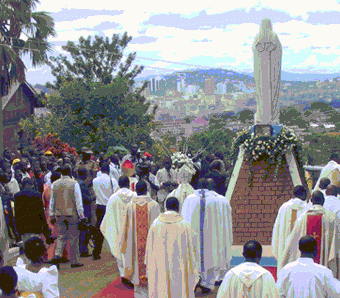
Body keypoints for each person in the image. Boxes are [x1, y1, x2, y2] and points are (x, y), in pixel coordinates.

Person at [181, 178, 233, 294]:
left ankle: (193, 282)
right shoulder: (217, 200)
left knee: (194, 258)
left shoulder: (189, 199)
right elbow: (220, 222)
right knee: (210, 256)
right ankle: (207, 284)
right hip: (211, 237)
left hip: (194, 238)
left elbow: (184, 218)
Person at [145, 196, 200, 297]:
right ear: (178, 208)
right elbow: (194, 250)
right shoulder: (185, 225)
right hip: (180, 267)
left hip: (160, 267)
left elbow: (149, 249)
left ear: (165, 207)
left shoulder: (155, 224)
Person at [279, 191, 340, 279]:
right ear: (323, 201)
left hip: (304, 271)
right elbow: (336, 245)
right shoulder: (332, 218)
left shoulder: (302, 218)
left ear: (311, 201)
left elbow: (292, 242)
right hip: (325, 267)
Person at [120, 180, 160, 296]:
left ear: (136, 191)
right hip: (151, 247)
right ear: (147, 190)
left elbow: (125, 229)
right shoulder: (154, 206)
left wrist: (124, 244)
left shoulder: (130, 207)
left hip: (135, 248)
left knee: (137, 273)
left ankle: (138, 294)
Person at [100, 175, 136, 287]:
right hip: (132, 230)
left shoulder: (113, 198)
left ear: (119, 185)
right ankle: (133, 274)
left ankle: (123, 275)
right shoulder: (135, 196)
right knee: (132, 251)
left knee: (120, 251)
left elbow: (108, 217)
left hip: (118, 230)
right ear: (129, 184)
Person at [50, 165, 86, 268]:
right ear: (70, 172)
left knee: (61, 236)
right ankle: (74, 261)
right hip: (72, 214)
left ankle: (57, 255)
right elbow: (78, 201)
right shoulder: (74, 184)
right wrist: (82, 215)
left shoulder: (54, 184)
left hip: (59, 214)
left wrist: (51, 214)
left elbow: (52, 200)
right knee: (74, 237)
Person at [271, 185, 309, 268]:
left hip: (285, 244)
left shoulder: (284, 207)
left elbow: (277, 228)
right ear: (303, 194)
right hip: (301, 248)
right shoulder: (307, 208)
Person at [13, 178, 52, 252]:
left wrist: (17, 230)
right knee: (36, 250)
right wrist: (45, 229)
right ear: (32, 184)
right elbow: (41, 213)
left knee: (27, 250)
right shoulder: (37, 194)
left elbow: (17, 215)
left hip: (23, 228)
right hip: (36, 227)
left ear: (21, 184)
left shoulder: (17, 196)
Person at [92, 163, 118, 261]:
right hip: (110, 207)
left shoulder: (95, 181)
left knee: (99, 229)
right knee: (112, 229)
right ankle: (114, 251)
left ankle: (96, 252)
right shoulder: (113, 181)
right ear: (108, 171)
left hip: (99, 207)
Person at [77, 166, 95, 258]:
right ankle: (83, 250)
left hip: (80, 211)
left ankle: (82, 249)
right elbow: (86, 199)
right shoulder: (82, 185)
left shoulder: (77, 183)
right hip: (85, 210)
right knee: (85, 231)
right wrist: (93, 198)